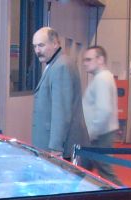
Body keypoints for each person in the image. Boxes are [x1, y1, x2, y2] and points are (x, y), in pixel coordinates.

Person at [31, 27, 88, 159]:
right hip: (52, 145)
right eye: (34, 47)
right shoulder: (56, 64)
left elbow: (61, 111)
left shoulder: (61, 66)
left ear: (55, 43)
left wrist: (56, 147)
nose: (37, 51)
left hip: (58, 148)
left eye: (41, 45)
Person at [81, 45, 123, 185]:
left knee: (105, 173)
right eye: (84, 60)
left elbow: (104, 110)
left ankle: (126, 197)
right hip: (101, 133)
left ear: (100, 59)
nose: (85, 63)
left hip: (99, 135)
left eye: (88, 59)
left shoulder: (102, 79)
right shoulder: (104, 77)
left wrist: (92, 133)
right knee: (82, 170)